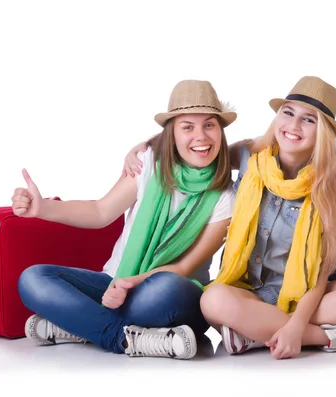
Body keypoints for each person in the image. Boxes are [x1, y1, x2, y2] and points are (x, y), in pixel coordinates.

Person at [122, 76, 336, 360]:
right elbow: (200, 150)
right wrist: (148, 144)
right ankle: (335, 337)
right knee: (213, 300)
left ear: (324, 133)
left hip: (303, 295)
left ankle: (254, 333)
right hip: (247, 293)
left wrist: (297, 323)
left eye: (309, 120)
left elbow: (321, 273)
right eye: (288, 113)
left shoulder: (332, 186)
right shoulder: (249, 154)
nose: (293, 126)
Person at [12, 79, 236, 360]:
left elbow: (183, 266)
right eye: (187, 126)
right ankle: (125, 338)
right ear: (172, 133)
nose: (201, 136)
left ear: (220, 131)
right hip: (114, 281)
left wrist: (131, 284)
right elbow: (100, 212)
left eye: (209, 125)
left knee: (163, 289)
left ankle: (83, 325)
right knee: (33, 278)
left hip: (173, 294)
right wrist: (42, 208)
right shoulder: (148, 164)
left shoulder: (225, 195)